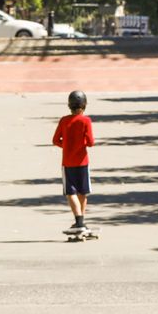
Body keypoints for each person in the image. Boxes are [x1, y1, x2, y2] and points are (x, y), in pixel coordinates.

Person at [52, 90, 96, 234]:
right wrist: (80, 143)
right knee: (82, 191)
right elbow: (90, 142)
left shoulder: (64, 120)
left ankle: (79, 221)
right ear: (85, 105)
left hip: (68, 162)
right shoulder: (86, 121)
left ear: (69, 105)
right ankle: (80, 222)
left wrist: (65, 145)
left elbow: (55, 140)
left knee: (70, 192)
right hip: (83, 161)